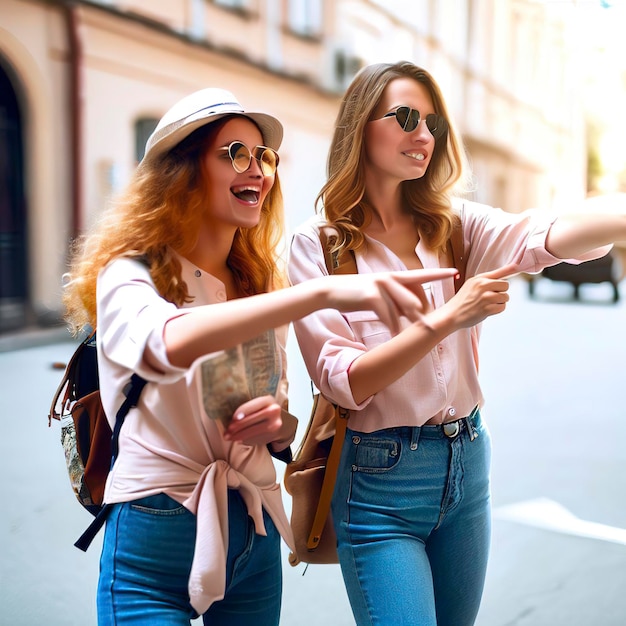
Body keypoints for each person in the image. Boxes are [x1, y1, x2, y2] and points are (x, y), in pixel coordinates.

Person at [61, 87, 455, 625]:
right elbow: (161, 344)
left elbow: (274, 416)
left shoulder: (258, 281)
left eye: (264, 156)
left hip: (253, 529)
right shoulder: (131, 273)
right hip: (155, 530)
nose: (259, 170)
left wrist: (276, 425)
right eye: (235, 153)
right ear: (183, 170)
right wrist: (320, 292)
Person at [287, 61, 626, 626]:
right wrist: (449, 316)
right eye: (406, 117)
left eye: (432, 124)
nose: (423, 135)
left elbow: (545, 235)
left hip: (466, 463)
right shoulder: (318, 246)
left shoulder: (455, 226)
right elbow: (344, 380)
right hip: (378, 484)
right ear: (360, 127)